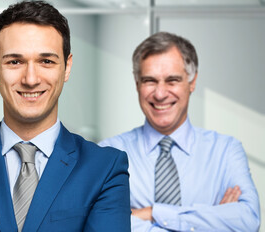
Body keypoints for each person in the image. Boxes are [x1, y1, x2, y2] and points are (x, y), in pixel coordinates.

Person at [0, 0, 131, 232]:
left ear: (67, 67)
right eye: (15, 61)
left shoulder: (105, 169)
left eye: (46, 61)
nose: (30, 79)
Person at [99, 31, 260, 231]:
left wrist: (152, 213)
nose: (160, 94)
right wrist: (210, 221)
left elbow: (248, 220)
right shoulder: (106, 154)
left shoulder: (226, 151)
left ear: (192, 82)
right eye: (150, 80)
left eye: (172, 80)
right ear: (137, 84)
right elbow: (103, 225)